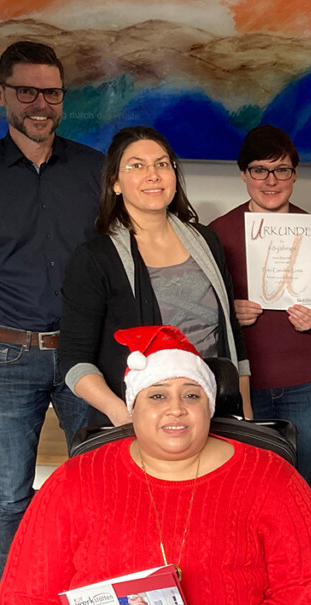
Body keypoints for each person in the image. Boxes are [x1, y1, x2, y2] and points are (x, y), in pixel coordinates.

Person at [0, 324, 311, 605]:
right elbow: (25, 596)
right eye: (157, 396)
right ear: (133, 406)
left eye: (191, 395)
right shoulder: (75, 479)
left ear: (209, 405)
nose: (175, 409)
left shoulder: (271, 477)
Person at [0, 41, 103, 592]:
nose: (41, 103)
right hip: (6, 358)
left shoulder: (95, 169)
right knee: (11, 493)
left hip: (86, 356)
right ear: (1, 94)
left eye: (51, 92)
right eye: (27, 91)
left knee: (101, 487)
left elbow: (118, 256)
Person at [59, 126, 252, 427]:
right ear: (115, 183)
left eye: (162, 164)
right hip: (138, 422)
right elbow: (74, 361)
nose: (153, 175)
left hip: (212, 412)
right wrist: (121, 414)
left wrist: (244, 412)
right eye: (136, 166)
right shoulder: (95, 259)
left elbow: (232, 334)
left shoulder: (207, 242)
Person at [209, 124, 311, 486]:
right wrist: (230, 310)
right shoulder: (218, 232)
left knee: (298, 482)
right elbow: (200, 309)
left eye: (282, 170)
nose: (271, 181)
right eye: (259, 170)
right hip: (244, 382)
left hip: (306, 382)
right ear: (244, 174)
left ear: (295, 174)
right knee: (245, 485)